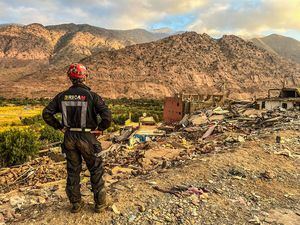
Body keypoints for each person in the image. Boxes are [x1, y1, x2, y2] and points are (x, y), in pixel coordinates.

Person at [42, 63, 112, 213]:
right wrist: (100, 129)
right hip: (87, 137)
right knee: (96, 169)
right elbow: (107, 116)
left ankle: (75, 204)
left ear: (70, 77)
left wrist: (59, 126)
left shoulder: (61, 96)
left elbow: (46, 113)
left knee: (73, 171)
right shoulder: (92, 96)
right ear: (85, 76)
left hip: (69, 137)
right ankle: (99, 204)